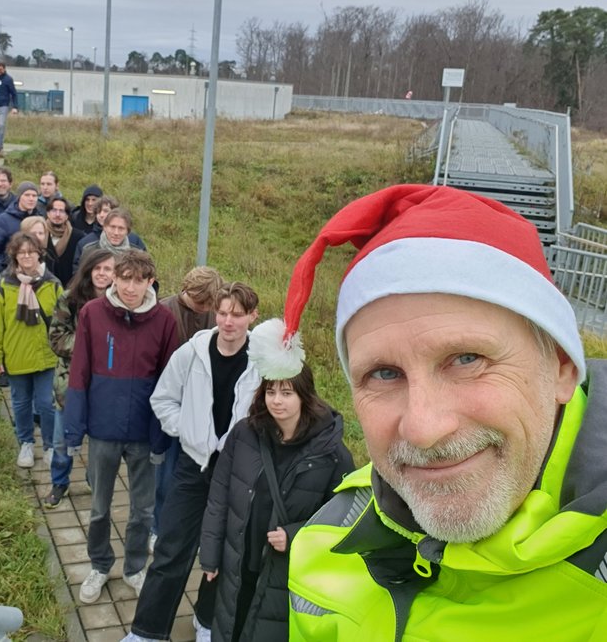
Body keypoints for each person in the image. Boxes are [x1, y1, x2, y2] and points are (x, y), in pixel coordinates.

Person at [258, 184, 602, 640]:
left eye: (467, 359)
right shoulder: (324, 545)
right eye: (383, 374)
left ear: (561, 367)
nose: (423, 429)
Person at [122, 281, 262, 642]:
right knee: (171, 548)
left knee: (228, 552)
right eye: (223, 312)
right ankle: (147, 631)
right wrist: (185, 428)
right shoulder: (192, 352)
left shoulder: (262, 360)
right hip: (192, 466)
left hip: (237, 472)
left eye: (237, 314)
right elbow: (163, 399)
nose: (228, 321)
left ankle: (207, 620)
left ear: (252, 316)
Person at [199, 364, 354, 642]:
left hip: (283, 576)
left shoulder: (331, 453)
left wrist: (294, 536)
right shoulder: (244, 434)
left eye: (287, 392)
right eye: (270, 391)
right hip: (238, 563)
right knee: (229, 627)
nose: (277, 401)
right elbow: (219, 496)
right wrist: (210, 554)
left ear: (304, 395)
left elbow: (344, 518)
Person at [64, 250, 178, 604]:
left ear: (150, 282)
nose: (130, 288)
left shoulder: (164, 321)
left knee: (142, 511)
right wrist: (74, 428)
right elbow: (79, 371)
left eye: (139, 281)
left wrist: (161, 437)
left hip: (144, 434)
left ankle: (134, 568)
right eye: (124, 279)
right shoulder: (92, 314)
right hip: (102, 431)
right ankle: (99, 565)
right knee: (99, 508)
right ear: (114, 278)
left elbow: (168, 382)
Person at [149, 265, 225, 551]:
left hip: (207, 409)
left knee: (203, 476)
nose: (205, 308)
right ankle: (158, 527)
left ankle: (197, 530)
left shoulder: (216, 313)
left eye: (209, 304)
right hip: (174, 407)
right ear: (187, 290)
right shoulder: (163, 311)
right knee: (166, 476)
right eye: (200, 302)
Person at [43, 248, 116, 509]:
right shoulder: (69, 298)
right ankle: (59, 482)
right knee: (62, 440)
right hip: (70, 383)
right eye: (97, 268)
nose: (102, 273)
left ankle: (93, 480)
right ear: (88, 269)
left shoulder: (119, 302)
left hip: (104, 386)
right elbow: (56, 338)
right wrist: (90, 343)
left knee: (99, 442)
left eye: (108, 269)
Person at [0, 232, 62, 469]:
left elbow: (64, 322)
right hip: (16, 356)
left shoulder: (52, 284)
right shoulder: (4, 285)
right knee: (20, 403)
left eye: (31, 251)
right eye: (22, 252)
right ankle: (26, 443)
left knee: (47, 404)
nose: (27, 256)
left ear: (40, 254)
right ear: (14, 256)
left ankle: (50, 445)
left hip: (46, 356)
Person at [0, 181, 41, 278]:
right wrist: (4, 272)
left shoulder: (40, 218)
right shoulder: (4, 219)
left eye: (34, 196)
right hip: (10, 274)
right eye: (27, 195)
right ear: (19, 197)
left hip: (35, 274)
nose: (31, 199)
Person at [74, 206, 147, 272]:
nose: (116, 233)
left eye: (121, 228)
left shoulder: (137, 255)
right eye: (112, 227)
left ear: (128, 231)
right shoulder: (89, 251)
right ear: (104, 227)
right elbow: (80, 277)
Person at [44, 196, 84, 287]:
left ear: (67, 216)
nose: (57, 214)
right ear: (48, 213)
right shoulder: (39, 233)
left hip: (69, 287)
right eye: (54, 210)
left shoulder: (78, 236)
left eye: (61, 211)